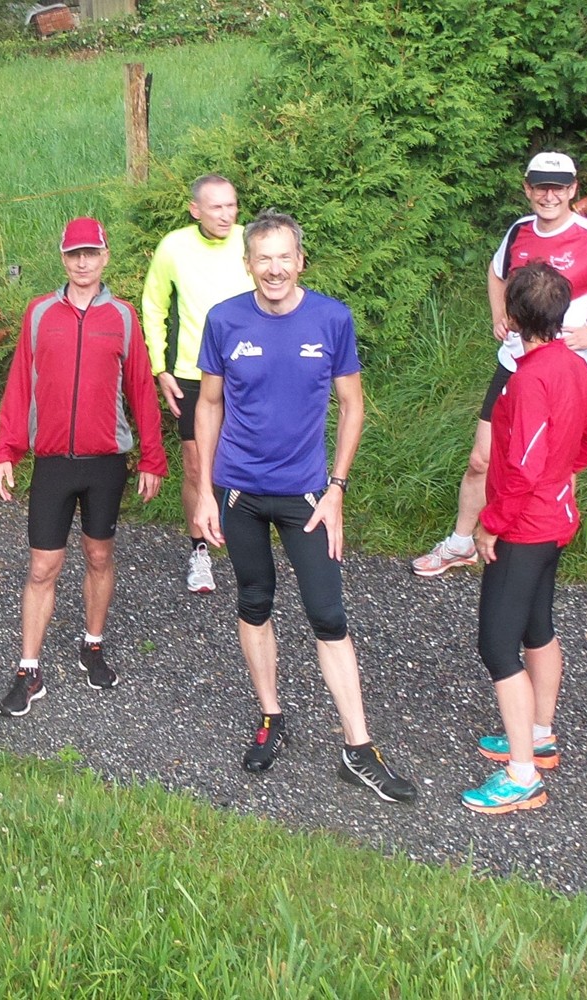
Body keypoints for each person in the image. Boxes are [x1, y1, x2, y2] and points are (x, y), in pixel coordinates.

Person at [190, 211, 415, 803]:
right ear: (247, 264)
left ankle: (358, 747)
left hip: (308, 496)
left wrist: (337, 487)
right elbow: (208, 405)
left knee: (327, 614)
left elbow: (353, 405)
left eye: (283, 257)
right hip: (239, 491)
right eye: (262, 258)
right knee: (254, 601)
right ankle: (271, 716)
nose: (274, 268)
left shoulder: (331, 318)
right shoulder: (224, 320)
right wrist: (207, 492)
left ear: (300, 261)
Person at [411, 152, 587, 578]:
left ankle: (545, 542)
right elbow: (496, 275)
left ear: (573, 191)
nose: (550, 195)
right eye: (541, 186)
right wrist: (498, 316)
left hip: (563, 368)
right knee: (481, 459)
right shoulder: (518, 231)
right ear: (527, 188)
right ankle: (460, 544)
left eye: (559, 187)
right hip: (514, 362)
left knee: (554, 461)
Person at [0, 218, 166, 716]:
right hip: (53, 464)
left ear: (105, 256)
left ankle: (92, 643)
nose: (83, 262)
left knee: (99, 557)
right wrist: (6, 450)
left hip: (105, 462)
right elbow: (21, 383)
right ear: (62, 258)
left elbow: (141, 392)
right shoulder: (41, 313)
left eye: (91, 253)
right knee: (43, 566)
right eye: (74, 254)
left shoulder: (123, 317)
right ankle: (29, 670)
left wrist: (152, 456)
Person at [460, 263, 587, 815]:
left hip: (524, 527)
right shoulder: (575, 364)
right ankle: (540, 733)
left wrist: (489, 524)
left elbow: (523, 470)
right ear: (562, 313)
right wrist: (561, 473)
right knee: (537, 627)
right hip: (557, 521)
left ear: (513, 315)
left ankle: (521, 775)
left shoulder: (527, 380)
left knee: (497, 645)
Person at [142, 173, 253, 594]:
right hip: (191, 372)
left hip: (247, 370)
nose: (227, 214)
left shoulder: (250, 240)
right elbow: (153, 304)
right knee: (196, 466)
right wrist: (159, 367)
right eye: (217, 207)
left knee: (244, 461)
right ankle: (200, 551)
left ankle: (246, 541)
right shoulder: (174, 246)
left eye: (232, 205)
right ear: (196, 210)